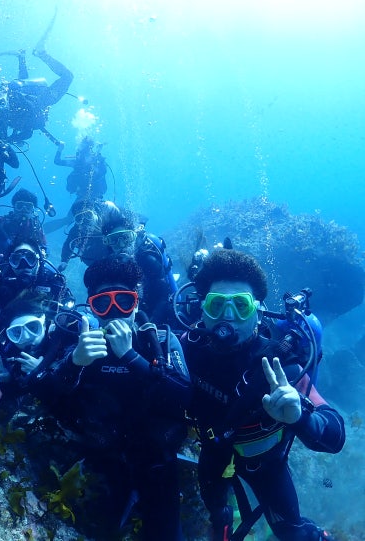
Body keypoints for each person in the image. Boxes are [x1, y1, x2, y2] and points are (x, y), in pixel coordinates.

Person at [181, 249, 344, 541]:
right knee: (218, 516)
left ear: (257, 312)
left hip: (266, 465)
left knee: (291, 532)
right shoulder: (185, 352)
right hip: (213, 456)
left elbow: (335, 436)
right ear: (202, 310)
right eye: (217, 305)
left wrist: (301, 418)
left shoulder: (282, 366)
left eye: (240, 306)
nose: (227, 317)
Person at [35, 257, 190, 540]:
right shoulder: (83, 344)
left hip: (156, 461)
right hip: (101, 460)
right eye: (103, 304)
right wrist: (74, 362)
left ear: (137, 304)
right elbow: (44, 394)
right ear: (92, 308)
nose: (114, 312)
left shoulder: (159, 342)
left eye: (124, 301)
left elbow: (186, 401)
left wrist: (131, 357)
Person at [101, 202, 179, 326]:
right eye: (114, 240)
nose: (122, 245)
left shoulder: (147, 259)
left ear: (134, 236)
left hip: (154, 312)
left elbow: (163, 294)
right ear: (107, 242)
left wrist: (149, 325)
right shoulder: (109, 263)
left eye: (126, 238)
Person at [0, 48, 73, 145]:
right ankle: (21, 57)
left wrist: (12, 138)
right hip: (35, 109)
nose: (0, 108)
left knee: (68, 77)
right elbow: (4, 138)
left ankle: (42, 54)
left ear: (5, 99)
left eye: (1, 103)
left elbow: (28, 132)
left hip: (42, 101)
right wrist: (7, 140)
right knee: (22, 83)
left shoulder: (15, 99)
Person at [0, 238, 73, 313]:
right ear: (10, 264)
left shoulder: (52, 280)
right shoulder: (2, 279)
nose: (24, 265)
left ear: (39, 260)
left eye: (30, 258)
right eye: (16, 259)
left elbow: (66, 310)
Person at [0, 188, 47, 254]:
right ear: (14, 207)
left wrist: (43, 252)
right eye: (20, 206)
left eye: (28, 207)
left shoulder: (35, 226)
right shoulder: (2, 222)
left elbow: (44, 247)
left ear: (33, 210)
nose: (24, 210)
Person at [58, 198, 110, 271]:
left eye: (88, 216)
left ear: (95, 214)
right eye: (79, 218)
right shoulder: (75, 231)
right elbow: (68, 245)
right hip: (91, 263)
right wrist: (64, 261)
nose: (84, 221)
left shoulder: (106, 226)